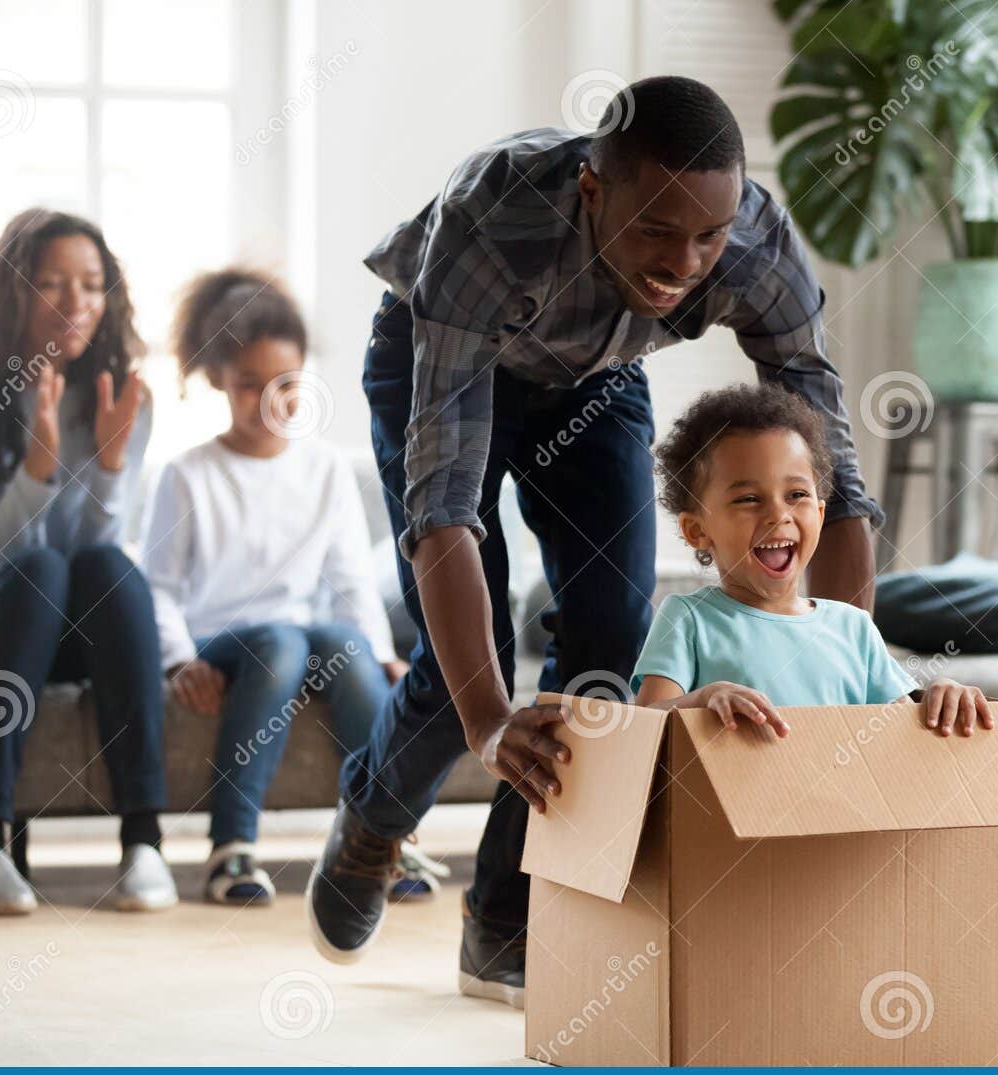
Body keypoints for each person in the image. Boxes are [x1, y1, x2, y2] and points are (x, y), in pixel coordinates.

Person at [309, 76, 883, 1007]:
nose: (686, 260)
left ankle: (504, 915)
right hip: (450, 363)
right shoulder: (492, 219)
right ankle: (375, 818)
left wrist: (844, 652)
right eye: (657, 230)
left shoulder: (754, 243)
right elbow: (443, 507)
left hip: (599, 380)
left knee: (614, 639)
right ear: (591, 189)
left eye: (707, 235)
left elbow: (833, 467)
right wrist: (492, 722)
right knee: (475, 657)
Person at [143, 270, 408, 906]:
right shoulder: (187, 476)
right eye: (248, 386)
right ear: (218, 382)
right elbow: (158, 589)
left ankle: (387, 836)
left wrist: (380, 653)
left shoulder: (325, 471)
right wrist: (180, 661)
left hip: (300, 638)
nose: (270, 403)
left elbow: (348, 580)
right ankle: (231, 848)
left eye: (285, 385)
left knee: (343, 643)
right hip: (219, 639)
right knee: (283, 643)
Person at [0, 208, 172, 915]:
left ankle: (145, 841)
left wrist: (107, 467)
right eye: (50, 284)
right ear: (12, 293)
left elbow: (95, 556)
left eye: (90, 284)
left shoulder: (122, 398)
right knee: (36, 571)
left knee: (108, 568)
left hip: (70, 624)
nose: (74, 302)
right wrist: (37, 473)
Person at [631, 383, 994, 735]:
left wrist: (941, 695)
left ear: (820, 515)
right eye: (748, 499)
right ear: (697, 530)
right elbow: (646, 724)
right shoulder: (688, 619)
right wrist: (703, 699)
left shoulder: (852, 628)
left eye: (796, 494)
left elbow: (898, 734)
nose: (778, 514)